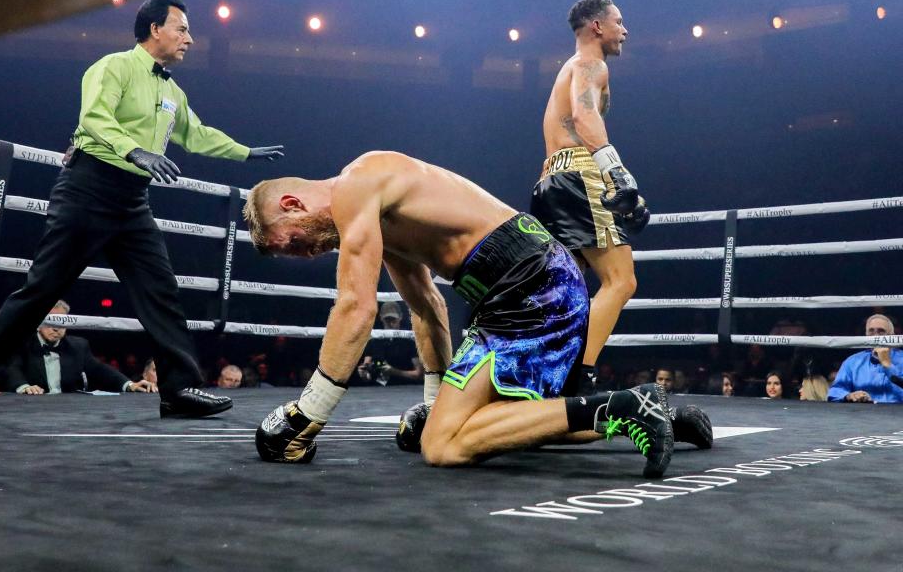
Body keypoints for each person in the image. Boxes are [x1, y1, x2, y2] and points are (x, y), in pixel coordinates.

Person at [245, 151, 713, 478]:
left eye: (295, 243)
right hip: (532, 281)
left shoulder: (357, 183)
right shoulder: (381, 220)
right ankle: (662, 416)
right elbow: (427, 308)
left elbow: (355, 305)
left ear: (293, 205)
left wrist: (309, 413)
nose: (307, 254)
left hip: (527, 282)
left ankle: (626, 404)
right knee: (506, 426)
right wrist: (433, 400)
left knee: (445, 445)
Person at [0, 0, 284, 419]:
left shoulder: (171, 90)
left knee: (161, 290)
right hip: (88, 191)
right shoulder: (113, 67)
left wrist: (245, 153)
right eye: (181, 29)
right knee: (41, 292)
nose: (190, 38)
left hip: (132, 202)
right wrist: (134, 151)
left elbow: (195, 134)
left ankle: (179, 389)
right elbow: (93, 117)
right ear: (154, 29)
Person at [530, 0, 648, 380]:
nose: (624, 30)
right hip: (580, 176)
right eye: (619, 21)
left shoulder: (568, 68)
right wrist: (617, 174)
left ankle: (534, 372)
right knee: (621, 280)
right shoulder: (590, 64)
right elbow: (583, 117)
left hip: (552, 179)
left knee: (563, 289)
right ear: (597, 26)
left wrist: (624, 185)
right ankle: (580, 376)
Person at [5, 300, 156, 395]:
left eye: (61, 323)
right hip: (31, 408)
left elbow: (100, 369)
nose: (56, 328)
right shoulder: (22, 343)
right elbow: (11, 368)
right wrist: (23, 387)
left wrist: (130, 384)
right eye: (51, 321)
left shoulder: (78, 346)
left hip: (69, 411)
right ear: (38, 324)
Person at [828, 314, 903, 403]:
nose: (876, 335)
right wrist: (849, 396)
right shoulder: (852, 362)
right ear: (866, 335)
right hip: (862, 415)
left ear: (892, 336)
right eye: (871, 331)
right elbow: (834, 393)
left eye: (881, 331)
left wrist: (888, 365)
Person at [357, 301, 424, 385]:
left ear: (400, 317)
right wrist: (363, 373)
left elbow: (419, 374)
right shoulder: (374, 341)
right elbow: (367, 371)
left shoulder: (409, 341)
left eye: (393, 319)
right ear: (381, 318)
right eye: (387, 319)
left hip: (406, 388)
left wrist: (394, 371)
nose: (390, 323)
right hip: (379, 390)